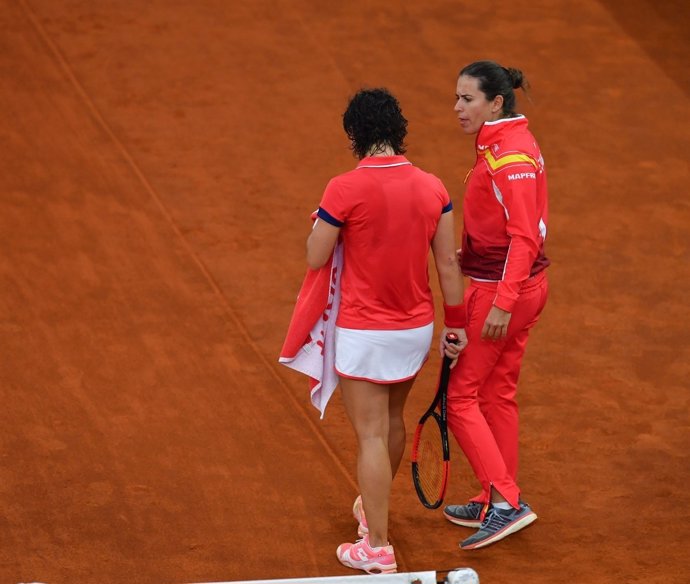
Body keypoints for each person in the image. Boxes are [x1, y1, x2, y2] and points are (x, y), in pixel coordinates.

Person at [306, 88, 467, 574]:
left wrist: (317, 226)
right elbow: (447, 265)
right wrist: (456, 327)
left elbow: (316, 256)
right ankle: (369, 509)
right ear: (398, 130)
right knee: (392, 422)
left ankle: (376, 546)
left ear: (355, 134)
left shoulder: (343, 188)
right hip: (415, 329)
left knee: (371, 435)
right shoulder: (433, 187)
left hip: (365, 332)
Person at [442, 61, 550, 550]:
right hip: (507, 284)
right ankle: (494, 494)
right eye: (458, 98)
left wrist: (503, 301)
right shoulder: (498, 145)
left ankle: (505, 504)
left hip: (504, 291)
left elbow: (524, 237)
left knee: (461, 397)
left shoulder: (513, 156)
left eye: (468, 99)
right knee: (497, 393)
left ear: (496, 102)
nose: (458, 108)